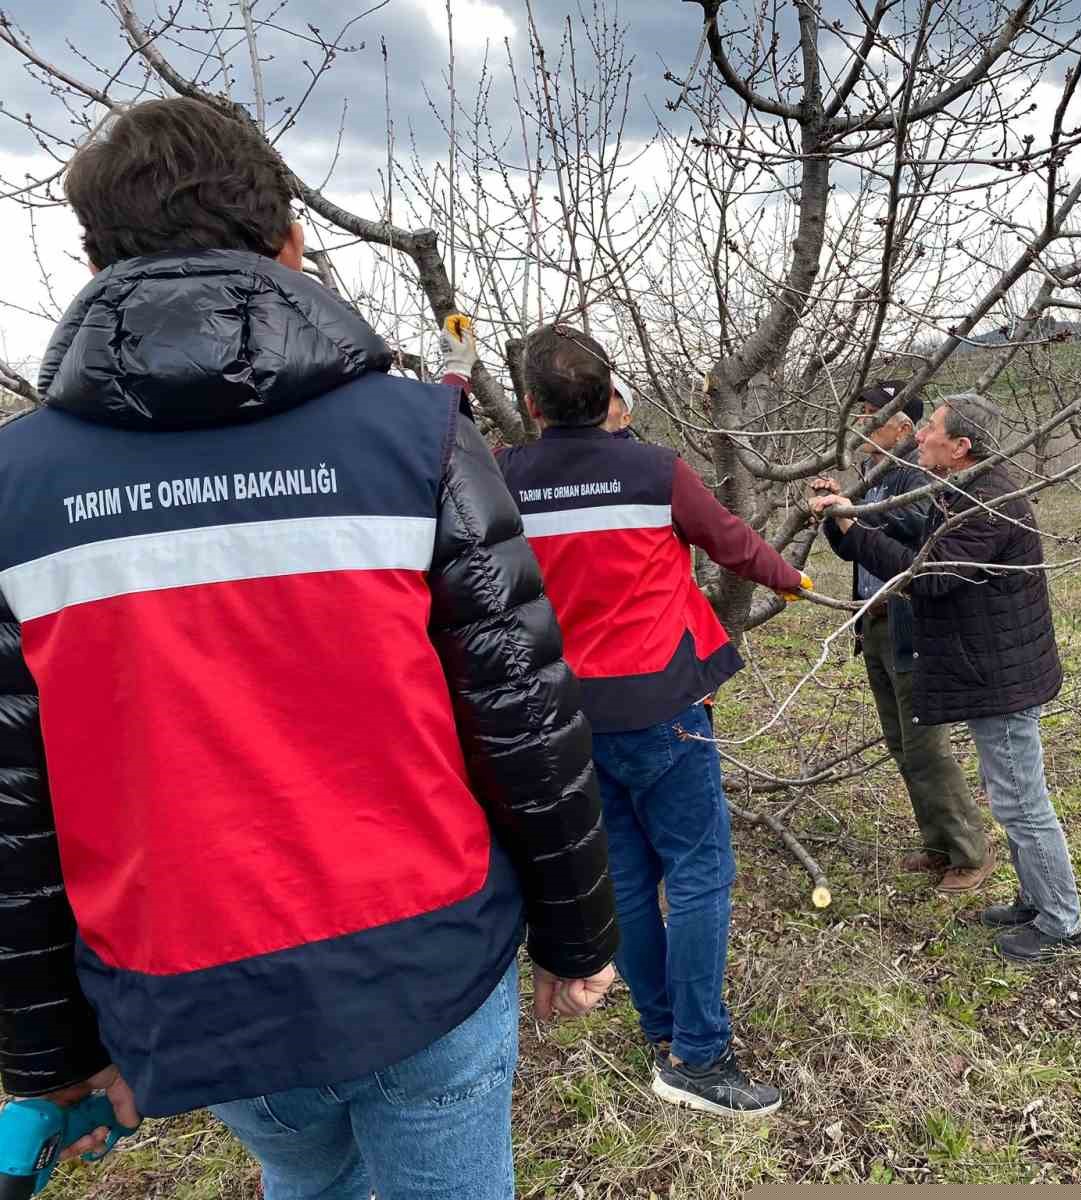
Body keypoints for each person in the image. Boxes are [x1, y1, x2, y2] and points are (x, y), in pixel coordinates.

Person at [0, 97, 618, 1200]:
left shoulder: (16, 490)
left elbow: (12, 806)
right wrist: (578, 939)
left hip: (193, 991)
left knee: (304, 1181)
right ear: (289, 243)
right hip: (426, 962)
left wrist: (51, 1059)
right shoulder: (415, 435)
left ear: (95, 258)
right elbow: (523, 713)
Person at [495, 324, 810, 1118]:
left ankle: (663, 1030)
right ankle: (698, 1057)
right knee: (701, 873)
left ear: (532, 405)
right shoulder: (653, 471)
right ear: (610, 399)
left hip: (566, 719)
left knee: (628, 875)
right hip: (663, 708)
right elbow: (732, 543)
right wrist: (792, 578)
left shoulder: (501, 479)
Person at [813, 393, 1081, 965]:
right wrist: (846, 520)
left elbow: (931, 576)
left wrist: (851, 521)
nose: (920, 436)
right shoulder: (961, 491)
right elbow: (915, 539)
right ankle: (1038, 902)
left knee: (1020, 802)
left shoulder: (988, 503)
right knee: (1014, 797)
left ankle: (1063, 926)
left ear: (961, 447)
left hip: (1003, 676)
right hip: (991, 668)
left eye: (932, 429)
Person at [809, 382, 994, 894]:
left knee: (926, 745)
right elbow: (853, 549)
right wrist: (834, 512)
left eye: (875, 413)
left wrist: (854, 509)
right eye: (863, 410)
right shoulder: (874, 473)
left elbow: (914, 523)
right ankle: (937, 845)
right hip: (874, 620)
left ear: (905, 428)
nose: (864, 421)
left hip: (909, 622)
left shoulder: (919, 472)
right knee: (900, 742)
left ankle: (970, 853)